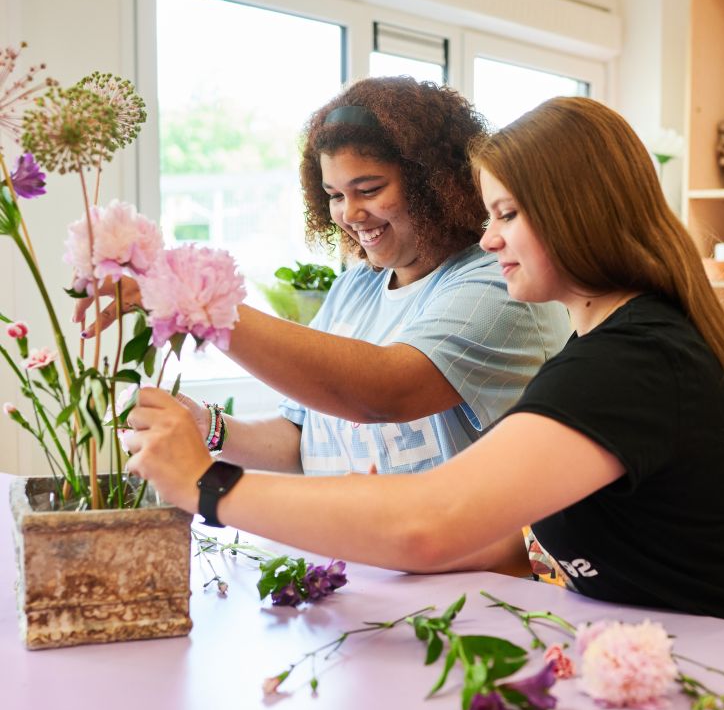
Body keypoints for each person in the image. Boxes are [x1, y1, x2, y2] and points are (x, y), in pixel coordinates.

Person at [124, 96, 724, 637]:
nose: (488, 239)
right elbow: (473, 532)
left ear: (578, 213)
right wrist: (369, 519)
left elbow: (431, 516)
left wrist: (207, 485)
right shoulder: (604, 349)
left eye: (508, 214)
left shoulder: (632, 361)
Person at [78, 77, 570, 477]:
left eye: (368, 189)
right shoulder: (354, 287)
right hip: (356, 573)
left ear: (433, 186)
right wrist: (206, 426)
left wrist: (194, 302)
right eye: (334, 195)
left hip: (465, 586)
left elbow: (383, 391)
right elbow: (303, 441)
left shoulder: (498, 285)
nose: (350, 214)